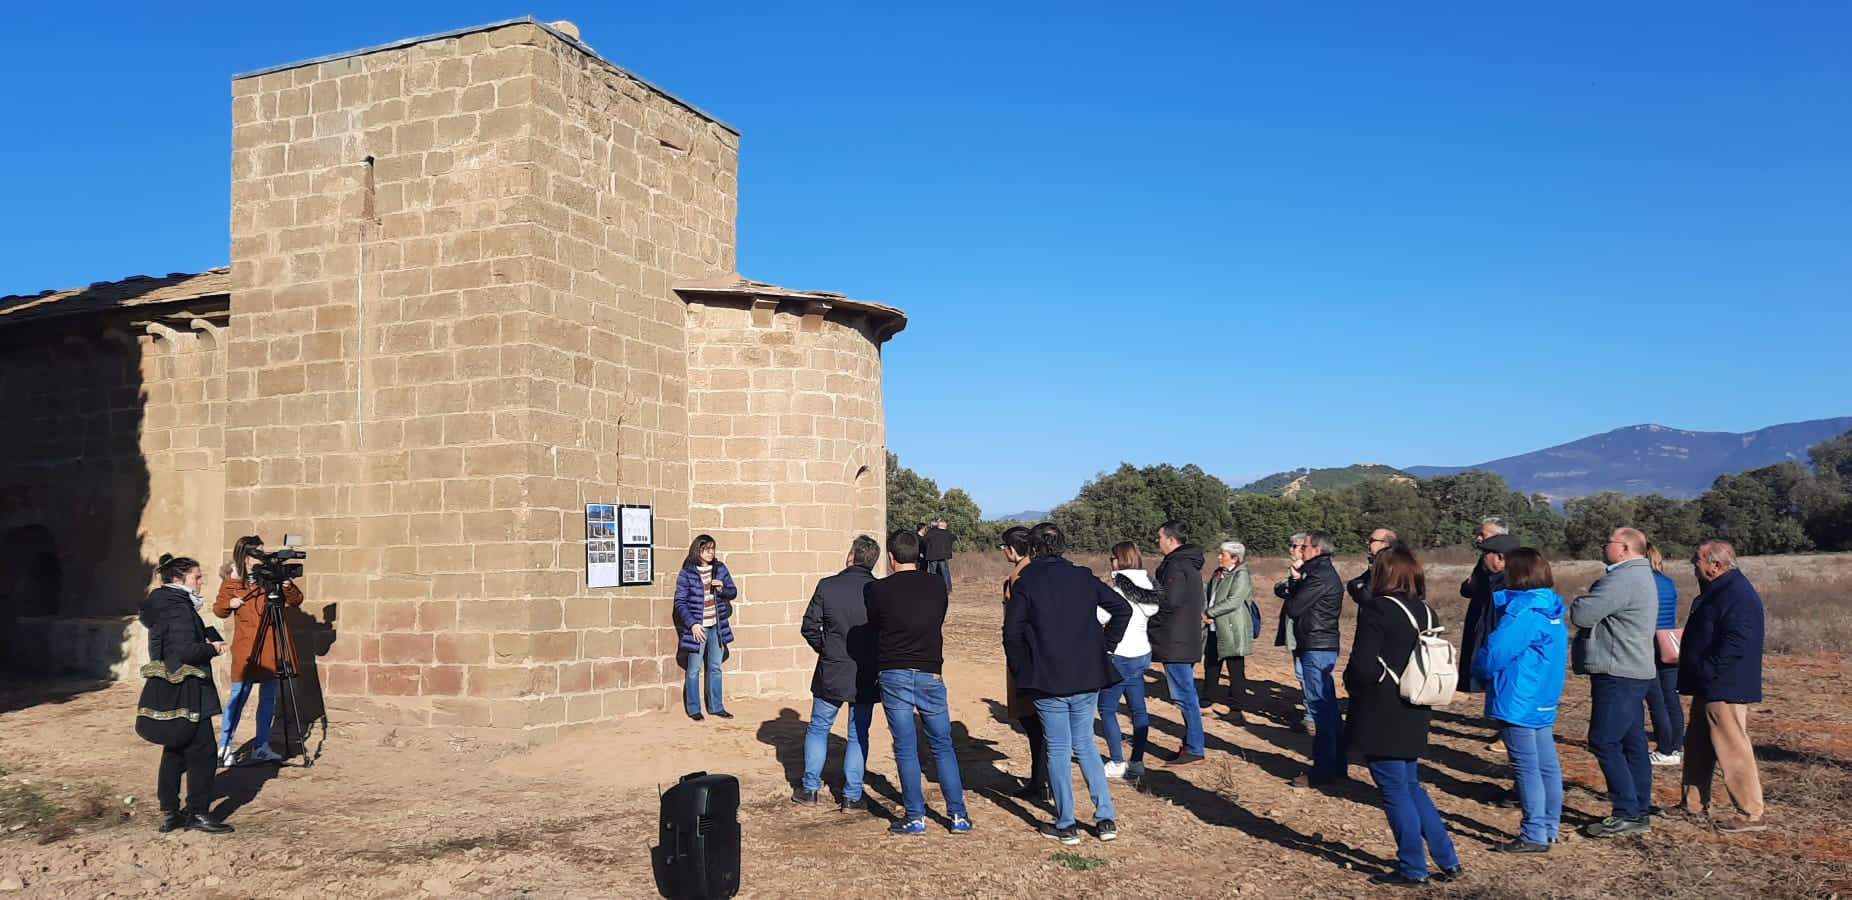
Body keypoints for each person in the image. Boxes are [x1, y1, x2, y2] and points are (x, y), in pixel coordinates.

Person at [1005, 522, 1131, 844]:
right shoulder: (1082, 577)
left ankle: (1066, 824)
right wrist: (1106, 645)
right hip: (1087, 674)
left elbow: (1011, 632)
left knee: (1059, 749)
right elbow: (1122, 609)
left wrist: (1022, 668)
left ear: (1033, 550)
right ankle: (1105, 819)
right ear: (1061, 546)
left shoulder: (1026, 583)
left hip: (1047, 678)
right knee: (1086, 744)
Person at [1344, 545, 1463, 886]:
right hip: (1417, 705)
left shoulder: (1377, 609)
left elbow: (1363, 668)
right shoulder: (1426, 611)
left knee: (1395, 791)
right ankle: (1448, 860)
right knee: (1412, 786)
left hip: (1384, 709)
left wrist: (1349, 685)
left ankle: (1412, 868)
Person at [865, 529, 970, 835]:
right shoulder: (936, 584)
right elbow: (938, 616)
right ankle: (958, 814)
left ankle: (915, 815)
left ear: (890, 556)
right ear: (919, 554)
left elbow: (874, 623)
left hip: (894, 671)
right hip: (930, 671)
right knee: (942, 745)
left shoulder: (877, 590)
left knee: (906, 748)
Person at [1474, 548, 1568, 853]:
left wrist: (1478, 666)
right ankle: (1549, 825)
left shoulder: (1524, 611)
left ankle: (1533, 834)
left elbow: (1496, 652)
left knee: (1527, 768)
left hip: (1518, 697)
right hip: (1541, 695)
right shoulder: (1550, 608)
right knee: (1546, 764)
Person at [1569, 527, 1659, 837]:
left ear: (1623, 548)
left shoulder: (1623, 578)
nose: (1603, 545)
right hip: (1633, 669)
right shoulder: (1639, 574)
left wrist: (1580, 600)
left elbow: (1582, 614)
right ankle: (1639, 808)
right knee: (1632, 743)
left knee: (1604, 741)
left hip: (1618, 671)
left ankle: (1627, 812)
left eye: (1607, 541)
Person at [134, 554, 233, 834]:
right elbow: (185, 650)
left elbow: (173, 641)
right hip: (189, 686)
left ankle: (170, 811)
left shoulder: (165, 602)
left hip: (171, 684)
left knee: (176, 747)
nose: (201, 582)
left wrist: (206, 635)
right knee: (203, 750)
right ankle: (198, 812)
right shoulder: (177, 607)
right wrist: (212, 648)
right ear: (179, 579)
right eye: (196, 577)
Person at [1677, 540, 1768, 833]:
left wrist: (1708, 669)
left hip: (1724, 683)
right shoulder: (1720, 590)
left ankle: (1750, 813)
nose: (1694, 565)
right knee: (1698, 745)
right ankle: (1692, 804)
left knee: (1731, 747)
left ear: (1715, 566)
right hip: (1709, 682)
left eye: (1697, 560)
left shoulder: (1736, 594)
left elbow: (1737, 641)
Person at [796, 535, 882, 810]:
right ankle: (851, 795)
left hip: (832, 667)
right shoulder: (879, 591)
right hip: (866, 670)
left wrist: (826, 648)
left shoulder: (828, 586)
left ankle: (810, 789)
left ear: (851, 556)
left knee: (819, 727)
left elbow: (810, 626)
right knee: (858, 733)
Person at [1113, 520, 1206, 766]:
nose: (1156, 541)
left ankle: (1195, 748)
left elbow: (1167, 602)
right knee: (1185, 694)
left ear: (1171, 540)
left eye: (1159, 537)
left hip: (1176, 641)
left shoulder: (1176, 566)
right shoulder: (1187, 564)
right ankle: (1191, 745)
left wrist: (1141, 606)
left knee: (1184, 695)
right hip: (1183, 639)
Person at [212, 534, 305, 766]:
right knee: (238, 696)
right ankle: (224, 747)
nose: (262, 558)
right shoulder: (234, 581)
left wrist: (287, 585)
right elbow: (219, 609)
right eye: (257, 554)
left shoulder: (270, 578)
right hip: (248, 647)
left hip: (272, 646)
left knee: (267, 699)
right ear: (245, 557)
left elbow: (296, 600)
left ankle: (261, 746)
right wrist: (232, 594)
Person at [1277, 530, 1345, 786]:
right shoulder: (1321, 572)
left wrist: (1295, 582)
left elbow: (1294, 607)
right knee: (1328, 708)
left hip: (1316, 646)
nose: (1299, 550)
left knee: (1320, 709)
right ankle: (1336, 765)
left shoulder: (1318, 576)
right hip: (1320, 643)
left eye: (1304, 547)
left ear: (1316, 549)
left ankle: (1324, 770)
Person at [1098, 541, 1158, 777]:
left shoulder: (1119, 590)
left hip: (1120, 653)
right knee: (1138, 709)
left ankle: (1116, 761)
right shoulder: (1149, 586)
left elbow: (1101, 616)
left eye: (1112, 558)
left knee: (1106, 708)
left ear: (1120, 560)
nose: (1110, 562)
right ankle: (1137, 761)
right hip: (1142, 652)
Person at [998, 526, 1049, 799]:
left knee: (1035, 721)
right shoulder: (1033, 572)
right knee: (1036, 722)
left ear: (1012, 549)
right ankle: (1041, 778)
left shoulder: (1022, 577)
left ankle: (1041, 780)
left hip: (1026, 656)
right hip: (1030, 654)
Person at [674, 534, 738, 721]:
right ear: (698, 550)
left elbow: (733, 592)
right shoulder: (687, 572)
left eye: (712, 549)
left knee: (715, 667)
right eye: (706, 549)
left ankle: (716, 707)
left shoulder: (720, 569)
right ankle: (694, 709)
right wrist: (692, 624)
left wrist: (722, 589)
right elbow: (680, 602)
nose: (711, 553)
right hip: (698, 628)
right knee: (694, 669)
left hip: (716, 627)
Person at [1202, 541, 1258, 723]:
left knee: (1235, 669)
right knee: (1211, 665)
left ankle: (1237, 708)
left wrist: (1210, 612)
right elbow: (1208, 595)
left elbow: (1234, 601)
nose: (1219, 557)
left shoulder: (1241, 575)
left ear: (1235, 558)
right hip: (1214, 626)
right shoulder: (1218, 574)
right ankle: (1206, 702)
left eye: (1223, 555)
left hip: (1232, 628)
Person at [1460, 531, 1519, 694]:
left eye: (1486, 553)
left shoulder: (1511, 586)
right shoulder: (1490, 578)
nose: (1483, 558)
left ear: (1500, 557)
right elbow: (1468, 589)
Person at [1643, 542, 1684, 767]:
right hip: (1668, 641)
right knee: (1671, 697)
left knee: (1656, 699)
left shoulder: (1642, 582)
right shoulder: (1668, 582)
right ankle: (1676, 746)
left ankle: (1665, 748)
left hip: (1649, 641)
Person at [1274, 532, 1314, 732]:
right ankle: (1310, 714)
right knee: (1301, 673)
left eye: (1296, 546)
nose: (1291, 550)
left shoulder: (1313, 573)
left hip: (1308, 632)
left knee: (1308, 674)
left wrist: (1294, 582)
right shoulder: (1298, 570)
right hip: (1298, 632)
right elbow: (1280, 587)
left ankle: (1312, 717)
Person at [1347, 527, 1398, 607]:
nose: (1367, 542)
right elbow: (1352, 583)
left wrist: (1361, 587)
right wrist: (1359, 586)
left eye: (1371, 540)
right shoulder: (1376, 564)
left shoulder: (1390, 566)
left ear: (1385, 544)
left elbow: (1366, 596)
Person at [921, 517, 954, 594]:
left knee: (933, 573)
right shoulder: (946, 532)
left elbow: (923, 541)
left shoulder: (930, 532)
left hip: (932, 556)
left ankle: (934, 588)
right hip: (943, 555)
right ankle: (947, 589)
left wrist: (928, 548)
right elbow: (952, 538)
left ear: (932, 525)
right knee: (945, 572)